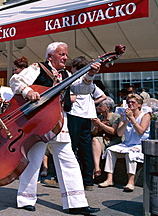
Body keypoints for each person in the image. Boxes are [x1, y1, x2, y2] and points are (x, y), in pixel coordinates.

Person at [9, 41, 100, 214]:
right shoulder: (38, 68)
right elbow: (16, 80)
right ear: (50, 56)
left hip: (59, 120)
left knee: (69, 159)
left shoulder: (66, 74)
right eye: (62, 54)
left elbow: (81, 89)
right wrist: (28, 92)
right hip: (38, 121)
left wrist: (90, 75)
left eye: (66, 54)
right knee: (34, 159)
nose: (66, 57)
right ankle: (25, 199)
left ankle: (76, 202)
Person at [66, 56, 106, 191]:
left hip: (75, 115)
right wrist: (91, 103)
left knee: (71, 148)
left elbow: (83, 86)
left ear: (75, 68)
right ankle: (87, 180)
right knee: (85, 148)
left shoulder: (75, 80)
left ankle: (69, 179)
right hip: (87, 115)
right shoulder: (88, 82)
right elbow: (102, 96)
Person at [98, 94, 150, 192]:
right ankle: (109, 179)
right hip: (127, 143)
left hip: (140, 144)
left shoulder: (145, 115)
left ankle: (131, 181)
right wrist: (126, 121)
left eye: (132, 102)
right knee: (110, 150)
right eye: (128, 102)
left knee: (130, 154)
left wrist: (133, 119)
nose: (130, 104)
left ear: (139, 104)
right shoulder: (123, 116)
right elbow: (119, 133)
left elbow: (140, 131)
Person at [91, 97, 121, 179]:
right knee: (94, 139)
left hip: (113, 140)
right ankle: (97, 168)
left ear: (107, 108)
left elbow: (113, 131)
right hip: (102, 140)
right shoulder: (99, 117)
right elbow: (93, 133)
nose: (98, 107)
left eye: (100, 105)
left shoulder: (115, 116)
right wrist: (96, 126)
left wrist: (101, 124)